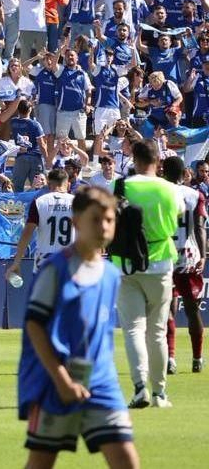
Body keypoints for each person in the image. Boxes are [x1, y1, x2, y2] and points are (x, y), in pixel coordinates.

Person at [18, 186, 139, 469]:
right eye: (94, 219)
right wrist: (62, 380)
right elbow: (35, 326)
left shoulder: (111, 273)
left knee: (126, 460)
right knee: (41, 462)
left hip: (100, 382)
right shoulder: (55, 270)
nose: (103, 226)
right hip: (56, 382)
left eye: (109, 220)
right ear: (76, 223)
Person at [111, 141, 182, 408]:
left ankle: (140, 387)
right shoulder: (171, 188)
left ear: (135, 159)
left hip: (125, 264)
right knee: (157, 331)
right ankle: (159, 392)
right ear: (158, 161)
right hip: (161, 262)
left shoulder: (120, 186)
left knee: (133, 329)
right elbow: (179, 214)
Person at [162, 158, 206, 375]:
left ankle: (170, 358)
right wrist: (203, 254)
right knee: (192, 310)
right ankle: (197, 358)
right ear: (184, 173)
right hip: (188, 254)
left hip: (162, 255)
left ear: (163, 172)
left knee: (167, 309)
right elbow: (199, 227)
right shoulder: (194, 194)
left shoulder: (157, 192)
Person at [8, 169, 77, 282]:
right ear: (68, 184)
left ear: (49, 184)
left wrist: (16, 262)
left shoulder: (39, 202)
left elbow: (27, 233)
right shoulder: (78, 202)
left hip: (45, 262)